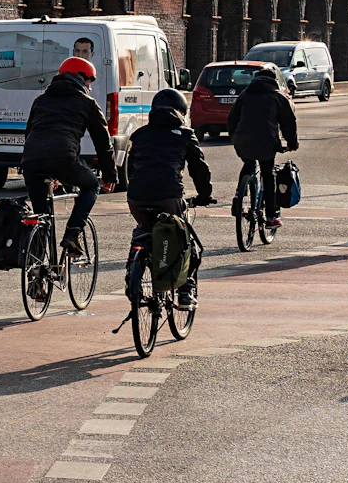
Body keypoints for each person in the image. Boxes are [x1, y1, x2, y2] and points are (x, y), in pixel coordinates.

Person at [122, 87, 212, 306]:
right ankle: (185, 290)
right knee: (184, 238)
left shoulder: (140, 134)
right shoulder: (185, 134)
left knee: (144, 229)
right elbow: (199, 168)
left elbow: (131, 167)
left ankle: (133, 269)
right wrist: (204, 194)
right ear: (181, 112)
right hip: (169, 196)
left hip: (136, 197)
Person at [20, 56, 116, 260]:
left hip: (32, 161)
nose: (90, 87)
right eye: (90, 81)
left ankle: (36, 276)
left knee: (41, 215)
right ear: (81, 77)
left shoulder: (41, 100)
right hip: (64, 158)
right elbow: (103, 143)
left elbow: (29, 133)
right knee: (91, 186)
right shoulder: (87, 102)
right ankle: (73, 233)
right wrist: (109, 176)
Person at [226, 64, 298, 229]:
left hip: (242, 139)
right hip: (266, 141)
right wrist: (292, 144)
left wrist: (234, 136)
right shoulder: (277, 97)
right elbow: (288, 123)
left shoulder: (245, 95)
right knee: (267, 174)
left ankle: (239, 195)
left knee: (248, 163)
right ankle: (271, 217)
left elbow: (232, 118)